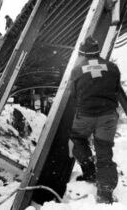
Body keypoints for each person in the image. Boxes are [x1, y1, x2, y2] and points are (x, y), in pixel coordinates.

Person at [70, 36, 120, 204]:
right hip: (108, 117)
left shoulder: (77, 70)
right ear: (98, 51)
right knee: (104, 153)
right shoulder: (112, 68)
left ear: (82, 53)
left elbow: (74, 95)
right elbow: (116, 90)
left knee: (77, 139)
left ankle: (90, 172)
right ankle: (105, 194)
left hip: (85, 116)